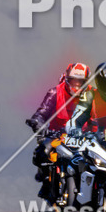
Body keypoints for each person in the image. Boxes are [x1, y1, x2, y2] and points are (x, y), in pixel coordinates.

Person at [25, 62, 92, 199]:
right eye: (74, 81)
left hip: (85, 137)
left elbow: (103, 116)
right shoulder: (55, 92)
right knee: (42, 153)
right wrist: (38, 122)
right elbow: (42, 112)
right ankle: (46, 179)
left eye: (80, 82)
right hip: (57, 135)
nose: (77, 85)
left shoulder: (94, 94)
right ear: (67, 79)